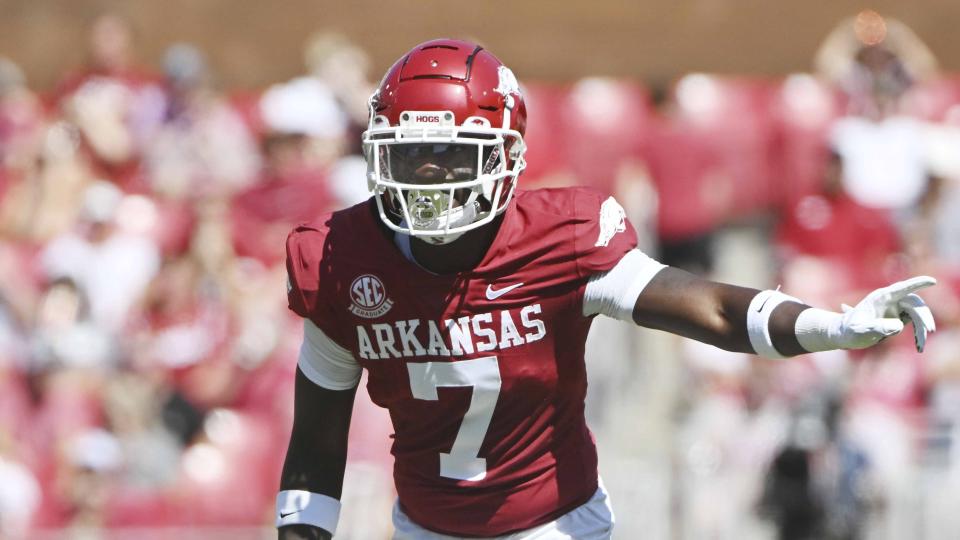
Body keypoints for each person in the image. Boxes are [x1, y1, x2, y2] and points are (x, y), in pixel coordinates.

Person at [277, 39, 937, 540]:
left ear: (504, 156)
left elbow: (707, 306)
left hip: (556, 527)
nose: (429, 176)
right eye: (409, 154)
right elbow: (315, 445)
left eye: (452, 154)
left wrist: (830, 326)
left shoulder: (557, 237)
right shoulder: (339, 258)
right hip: (422, 529)